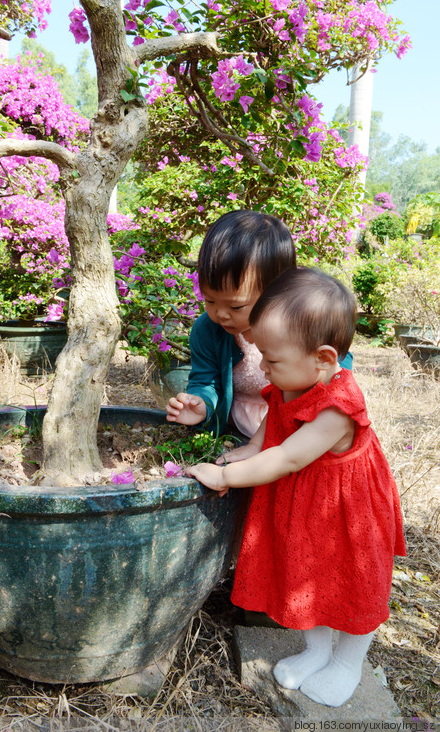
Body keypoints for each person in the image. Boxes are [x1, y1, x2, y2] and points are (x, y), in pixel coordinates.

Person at [185, 268, 407, 708]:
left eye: (272, 360)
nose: (262, 368)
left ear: (324, 358)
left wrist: (226, 477)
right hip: (304, 501)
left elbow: (287, 456)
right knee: (303, 574)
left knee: (353, 582)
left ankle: (347, 662)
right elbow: (268, 437)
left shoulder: (337, 408)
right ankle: (316, 651)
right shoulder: (292, 383)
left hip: (344, 508)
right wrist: (240, 453)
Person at [165, 210, 352, 437]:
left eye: (236, 307)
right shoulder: (207, 330)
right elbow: (206, 380)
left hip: (295, 430)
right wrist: (203, 405)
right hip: (238, 429)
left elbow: (337, 369)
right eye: (210, 300)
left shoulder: (301, 327)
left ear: (275, 291)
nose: (220, 314)